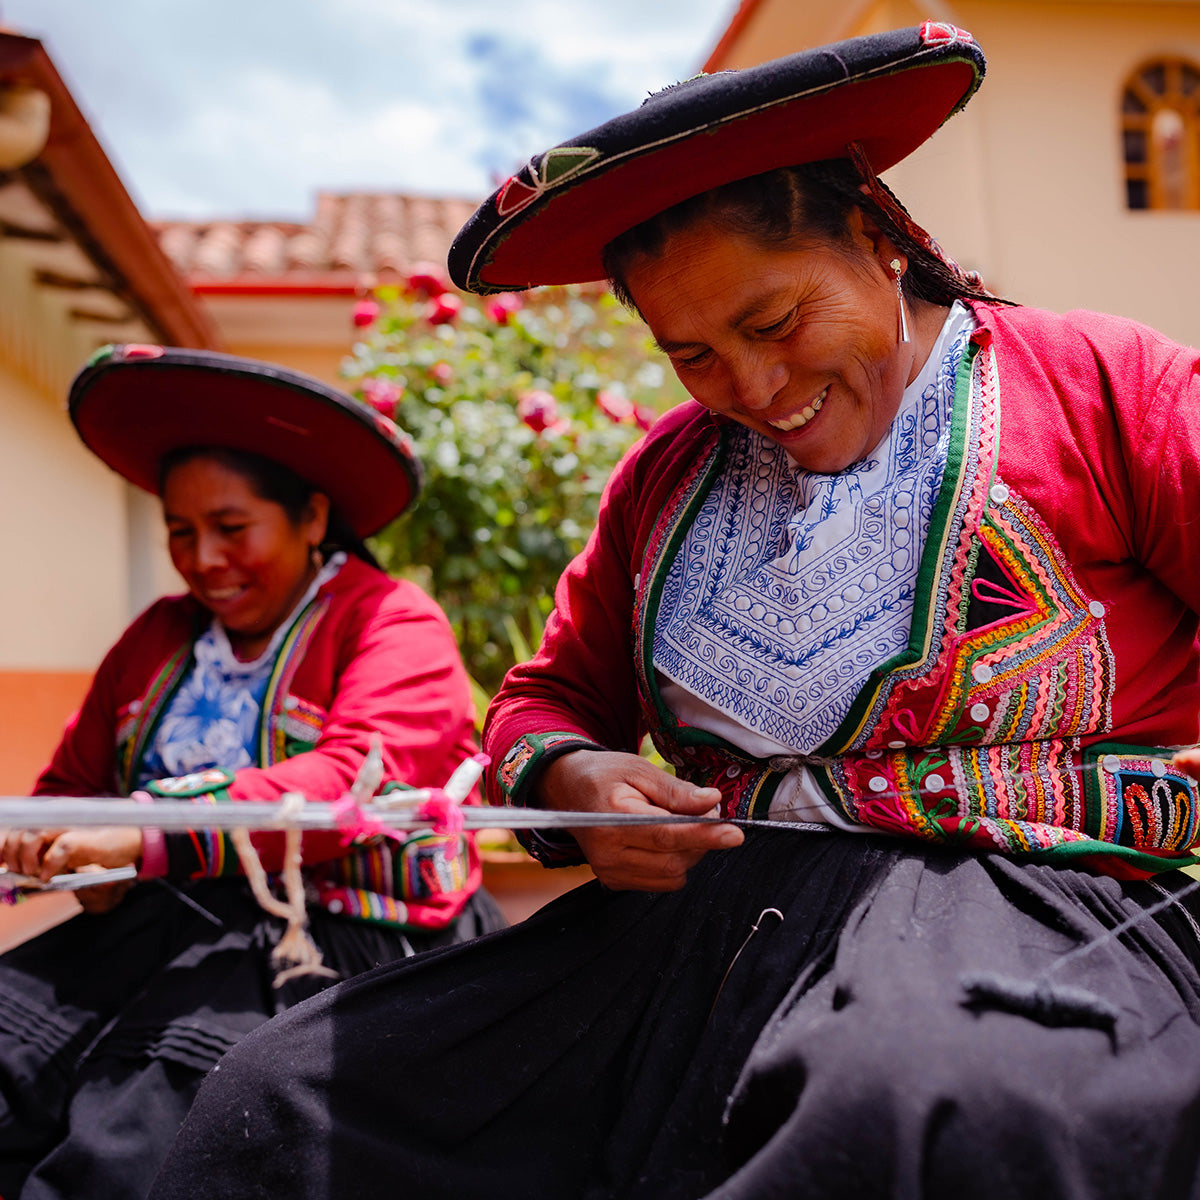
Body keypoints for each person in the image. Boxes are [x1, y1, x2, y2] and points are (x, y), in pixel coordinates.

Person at [149, 25, 1200, 1200]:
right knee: (287, 1098)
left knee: (914, 1106)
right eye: (691, 353)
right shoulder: (664, 478)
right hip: (698, 920)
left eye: (774, 322)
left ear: (877, 239)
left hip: (1029, 899)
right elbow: (543, 700)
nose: (752, 391)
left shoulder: (1107, 389)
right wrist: (570, 780)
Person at [0, 345, 505, 1200]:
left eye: (232, 529)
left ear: (311, 517)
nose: (203, 561)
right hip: (169, 921)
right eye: (180, 533)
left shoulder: (390, 620)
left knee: (143, 1130)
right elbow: (71, 788)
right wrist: (64, 850)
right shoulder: (158, 636)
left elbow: (353, 780)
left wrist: (141, 828)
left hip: (348, 927)